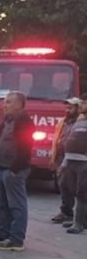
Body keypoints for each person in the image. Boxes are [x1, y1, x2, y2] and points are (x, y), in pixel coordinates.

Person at [0, 91, 35, 252]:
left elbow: (26, 146)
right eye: (4, 101)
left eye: (8, 102)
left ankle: (16, 239)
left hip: (14, 170)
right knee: (1, 203)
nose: (4, 105)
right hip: (2, 167)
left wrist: (15, 169)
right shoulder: (7, 121)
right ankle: (3, 233)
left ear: (19, 104)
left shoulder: (24, 121)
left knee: (16, 205)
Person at [50, 97, 82, 224]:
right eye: (66, 108)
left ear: (78, 108)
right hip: (61, 156)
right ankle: (66, 212)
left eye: (71, 108)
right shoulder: (62, 122)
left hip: (76, 157)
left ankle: (79, 216)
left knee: (77, 187)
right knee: (63, 185)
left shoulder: (81, 122)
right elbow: (56, 140)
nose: (67, 110)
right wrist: (53, 157)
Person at [58, 98, 87, 234]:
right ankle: (78, 218)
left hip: (83, 161)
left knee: (82, 192)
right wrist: (64, 163)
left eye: (84, 103)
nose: (81, 105)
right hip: (71, 160)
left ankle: (79, 223)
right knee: (69, 187)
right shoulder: (80, 121)